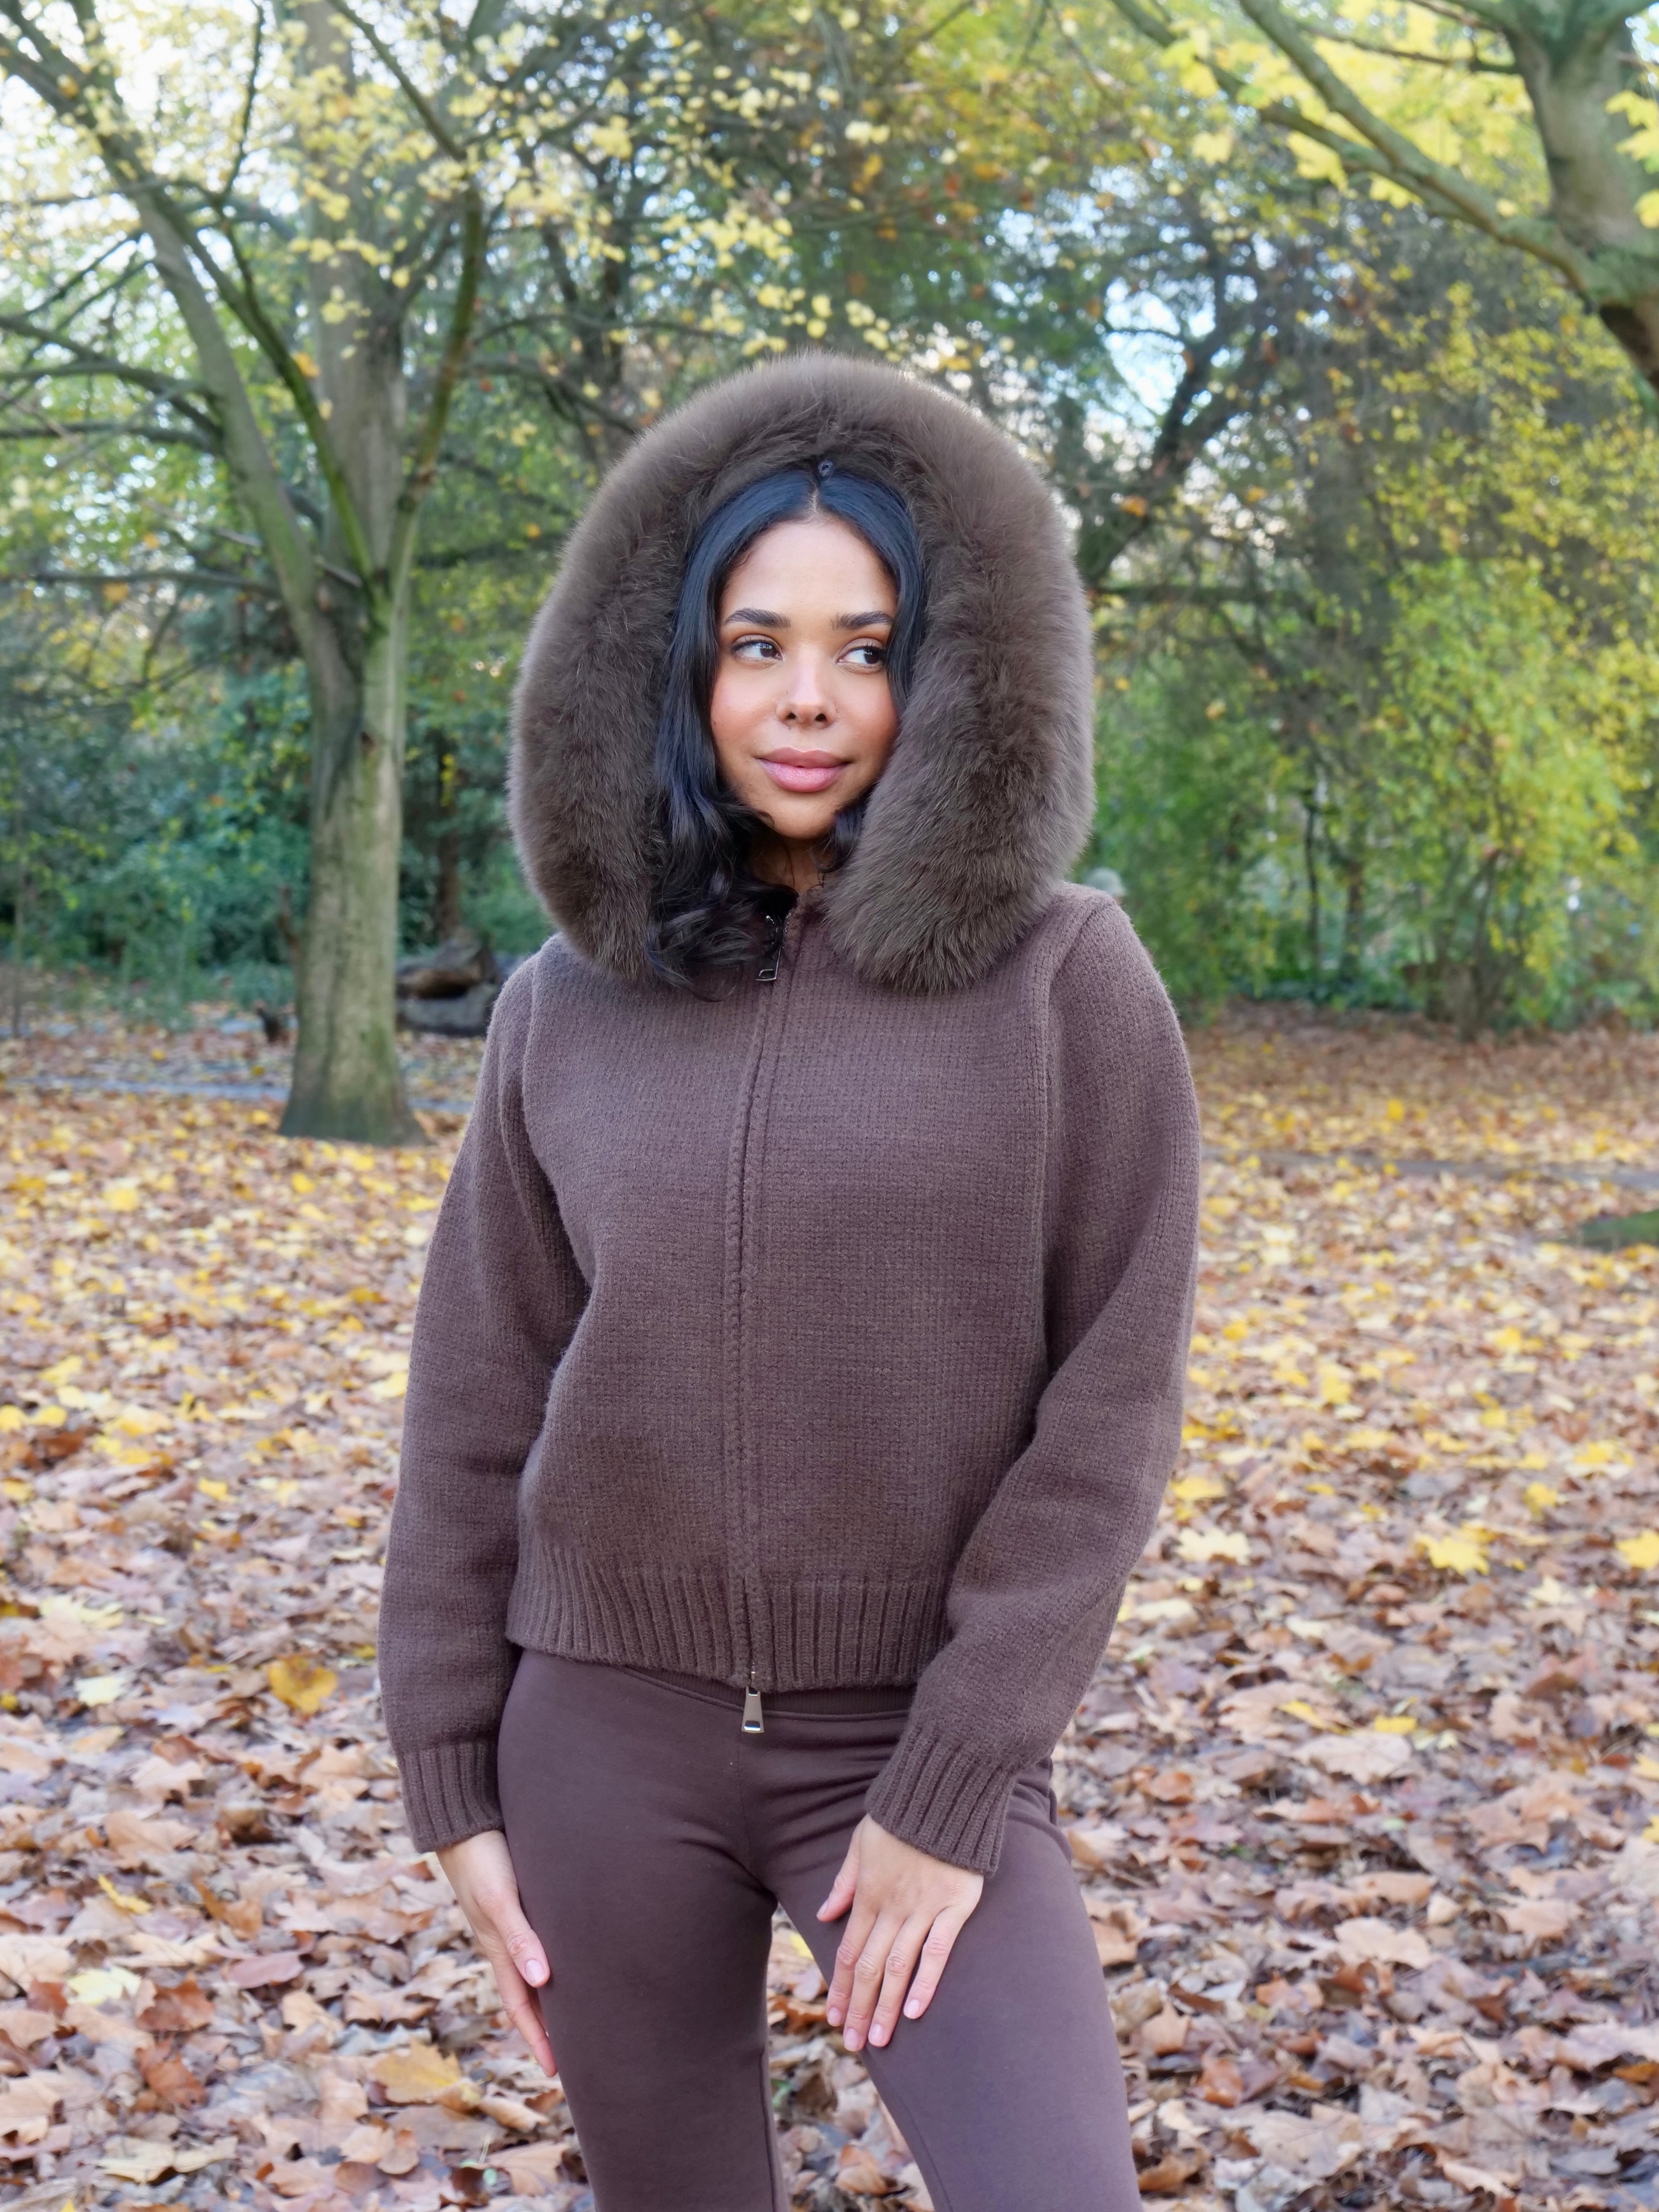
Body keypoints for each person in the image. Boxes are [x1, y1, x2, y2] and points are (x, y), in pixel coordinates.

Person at [378, 353, 1202, 2212]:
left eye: (867, 644)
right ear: (677, 669)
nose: (810, 699)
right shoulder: (561, 1009)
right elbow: (475, 1398)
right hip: (599, 1741)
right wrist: (455, 1775)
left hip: (905, 1737)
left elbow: (1113, 1408)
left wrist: (953, 1774)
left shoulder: (1070, 982)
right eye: (757, 644)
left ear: (955, 679)